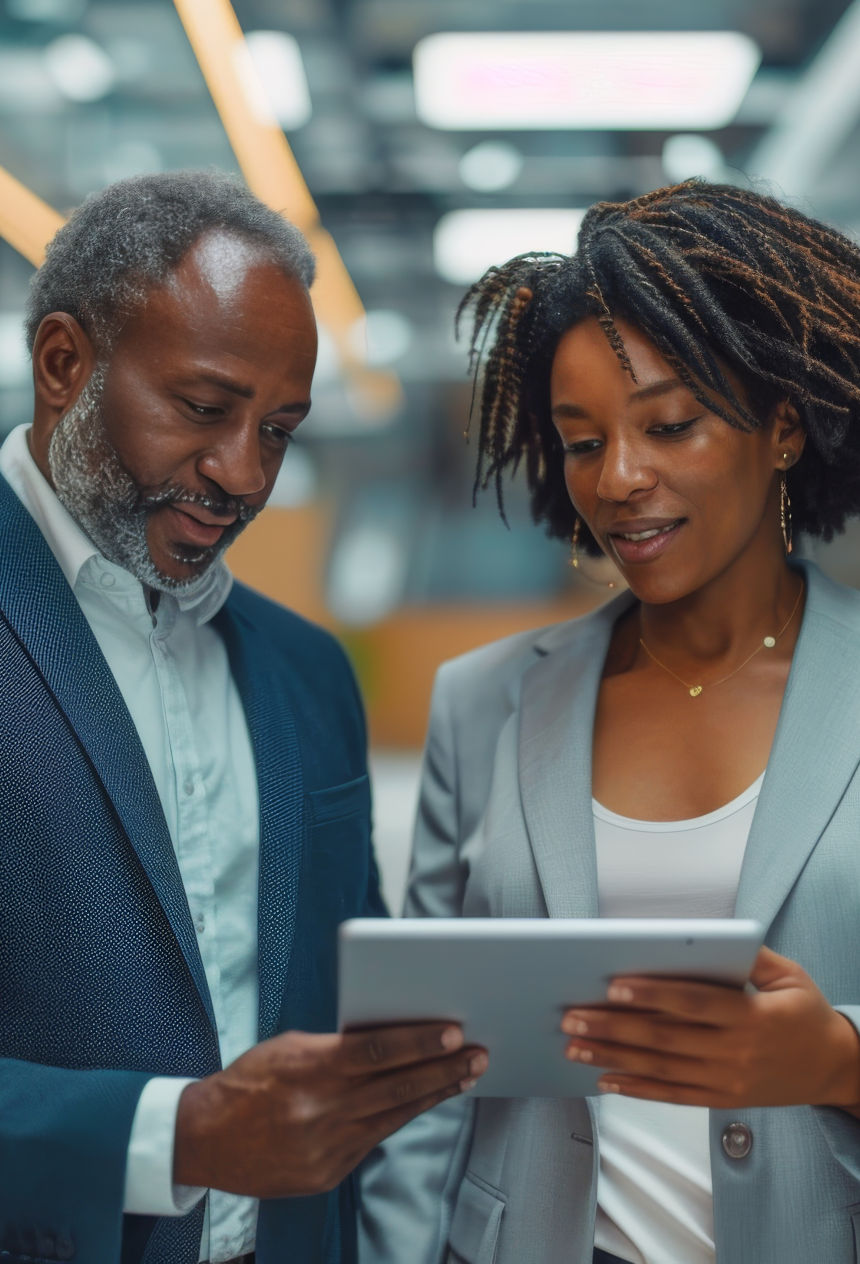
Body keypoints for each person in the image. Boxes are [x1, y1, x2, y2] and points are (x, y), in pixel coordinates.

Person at [359, 180, 860, 1264]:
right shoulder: (485, 699)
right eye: (580, 442)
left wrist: (837, 1064)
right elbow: (427, 1071)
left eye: (668, 424)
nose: (618, 480)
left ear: (781, 428)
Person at [0, 171, 487, 1264]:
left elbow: (343, 1005)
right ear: (65, 364)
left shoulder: (305, 674)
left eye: (278, 429)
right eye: (205, 410)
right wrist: (175, 1135)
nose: (241, 474)